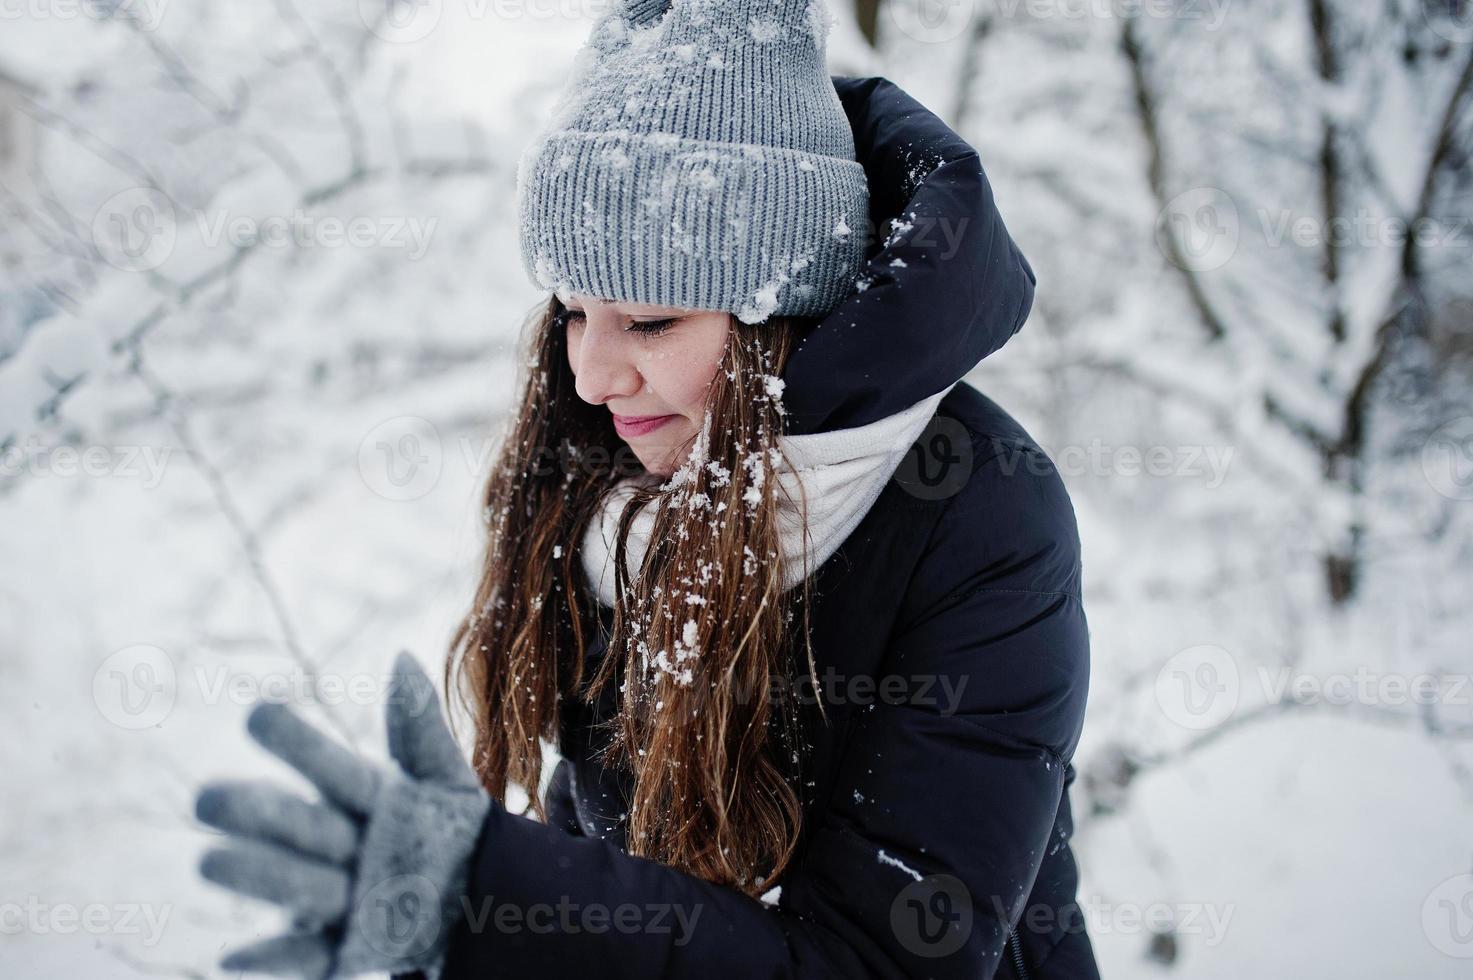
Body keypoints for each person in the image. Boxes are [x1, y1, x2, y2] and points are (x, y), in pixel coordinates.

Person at [190, 0, 1100, 977]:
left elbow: (877, 961)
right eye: (575, 312)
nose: (591, 374)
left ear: (781, 312)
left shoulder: (979, 517)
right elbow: (626, 888)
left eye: (653, 319)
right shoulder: (612, 486)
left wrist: (490, 896)